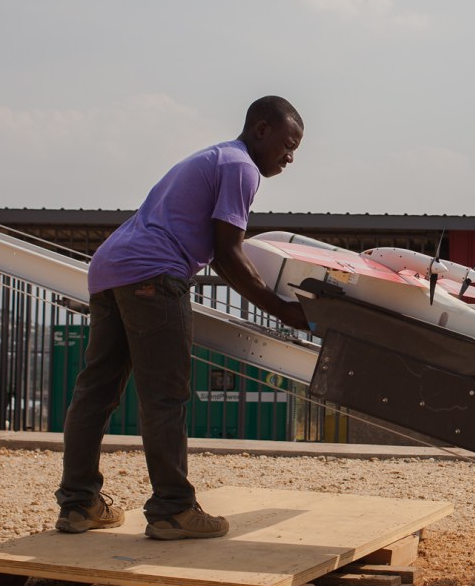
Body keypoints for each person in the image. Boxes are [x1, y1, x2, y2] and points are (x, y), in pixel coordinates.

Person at [55, 96, 309, 541]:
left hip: (110, 267)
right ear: (262, 129)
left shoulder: (214, 156)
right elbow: (229, 254)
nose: (289, 157)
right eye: (288, 145)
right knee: (164, 396)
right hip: (154, 272)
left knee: (95, 390)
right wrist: (285, 310)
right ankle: (173, 509)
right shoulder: (241, 166)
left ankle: (78, 506)